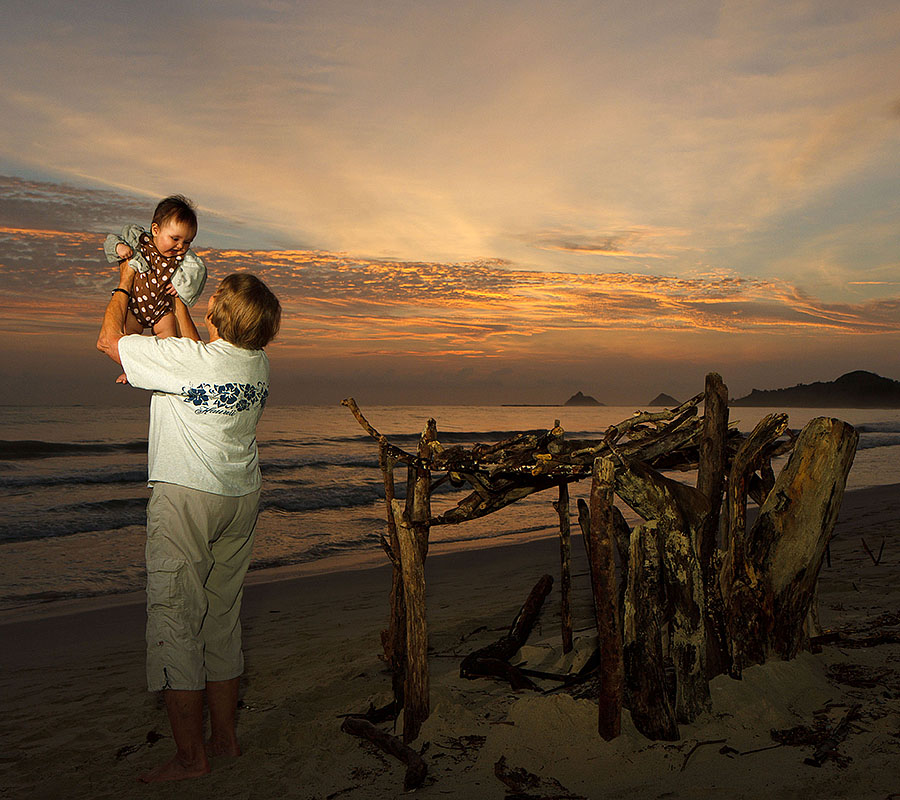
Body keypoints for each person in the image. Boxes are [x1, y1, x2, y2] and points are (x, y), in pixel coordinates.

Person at [96, 262, 281, 782]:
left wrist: (127, 277)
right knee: (221, 620)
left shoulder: (193, 361)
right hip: (239, 497)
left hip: (186, 498)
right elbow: (203, 353)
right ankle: (224, 741)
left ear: (219, 315)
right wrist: (177, 301)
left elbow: (109, 340)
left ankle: (189, 758)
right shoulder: (257, 365)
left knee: (176, 618)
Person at [104, 195, 207, 382]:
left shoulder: (184, 259)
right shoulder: (139, 241)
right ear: (155, 230)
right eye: (175, 238)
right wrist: (119, 248)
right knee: (129, 340)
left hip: (162, 309)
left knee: (170, 342)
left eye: (187, 242)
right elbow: (110, 240)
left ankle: (167, 370)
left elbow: (197, 274)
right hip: (135, 305)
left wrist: (182, 288)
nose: (180, 246)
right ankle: (131, 370)